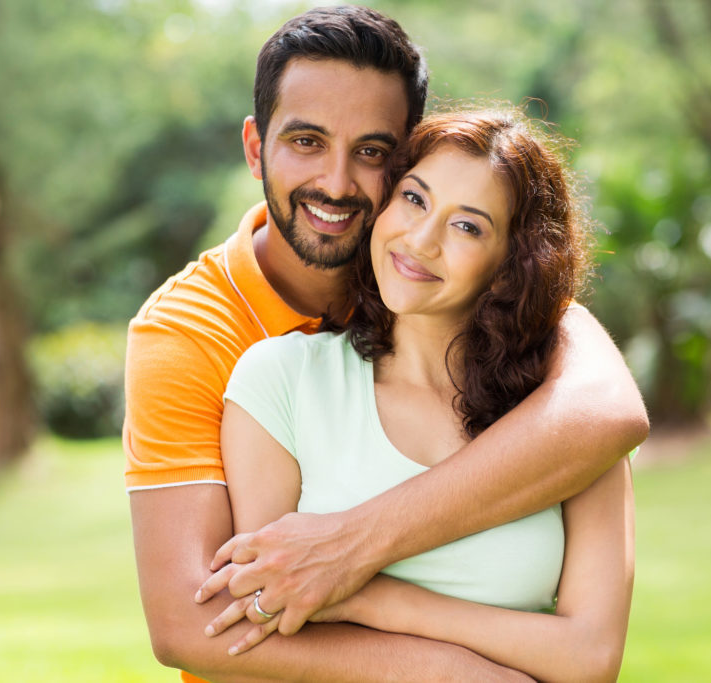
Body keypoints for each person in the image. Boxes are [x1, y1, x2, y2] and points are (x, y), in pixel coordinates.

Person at [124, 6, 647, 682]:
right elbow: (194, 619)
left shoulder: (476, 298)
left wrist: (353, 551)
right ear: (256, 148)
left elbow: (609, 411)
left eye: (371, 152)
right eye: (306, 141)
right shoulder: (195, 336)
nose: (337, 184)